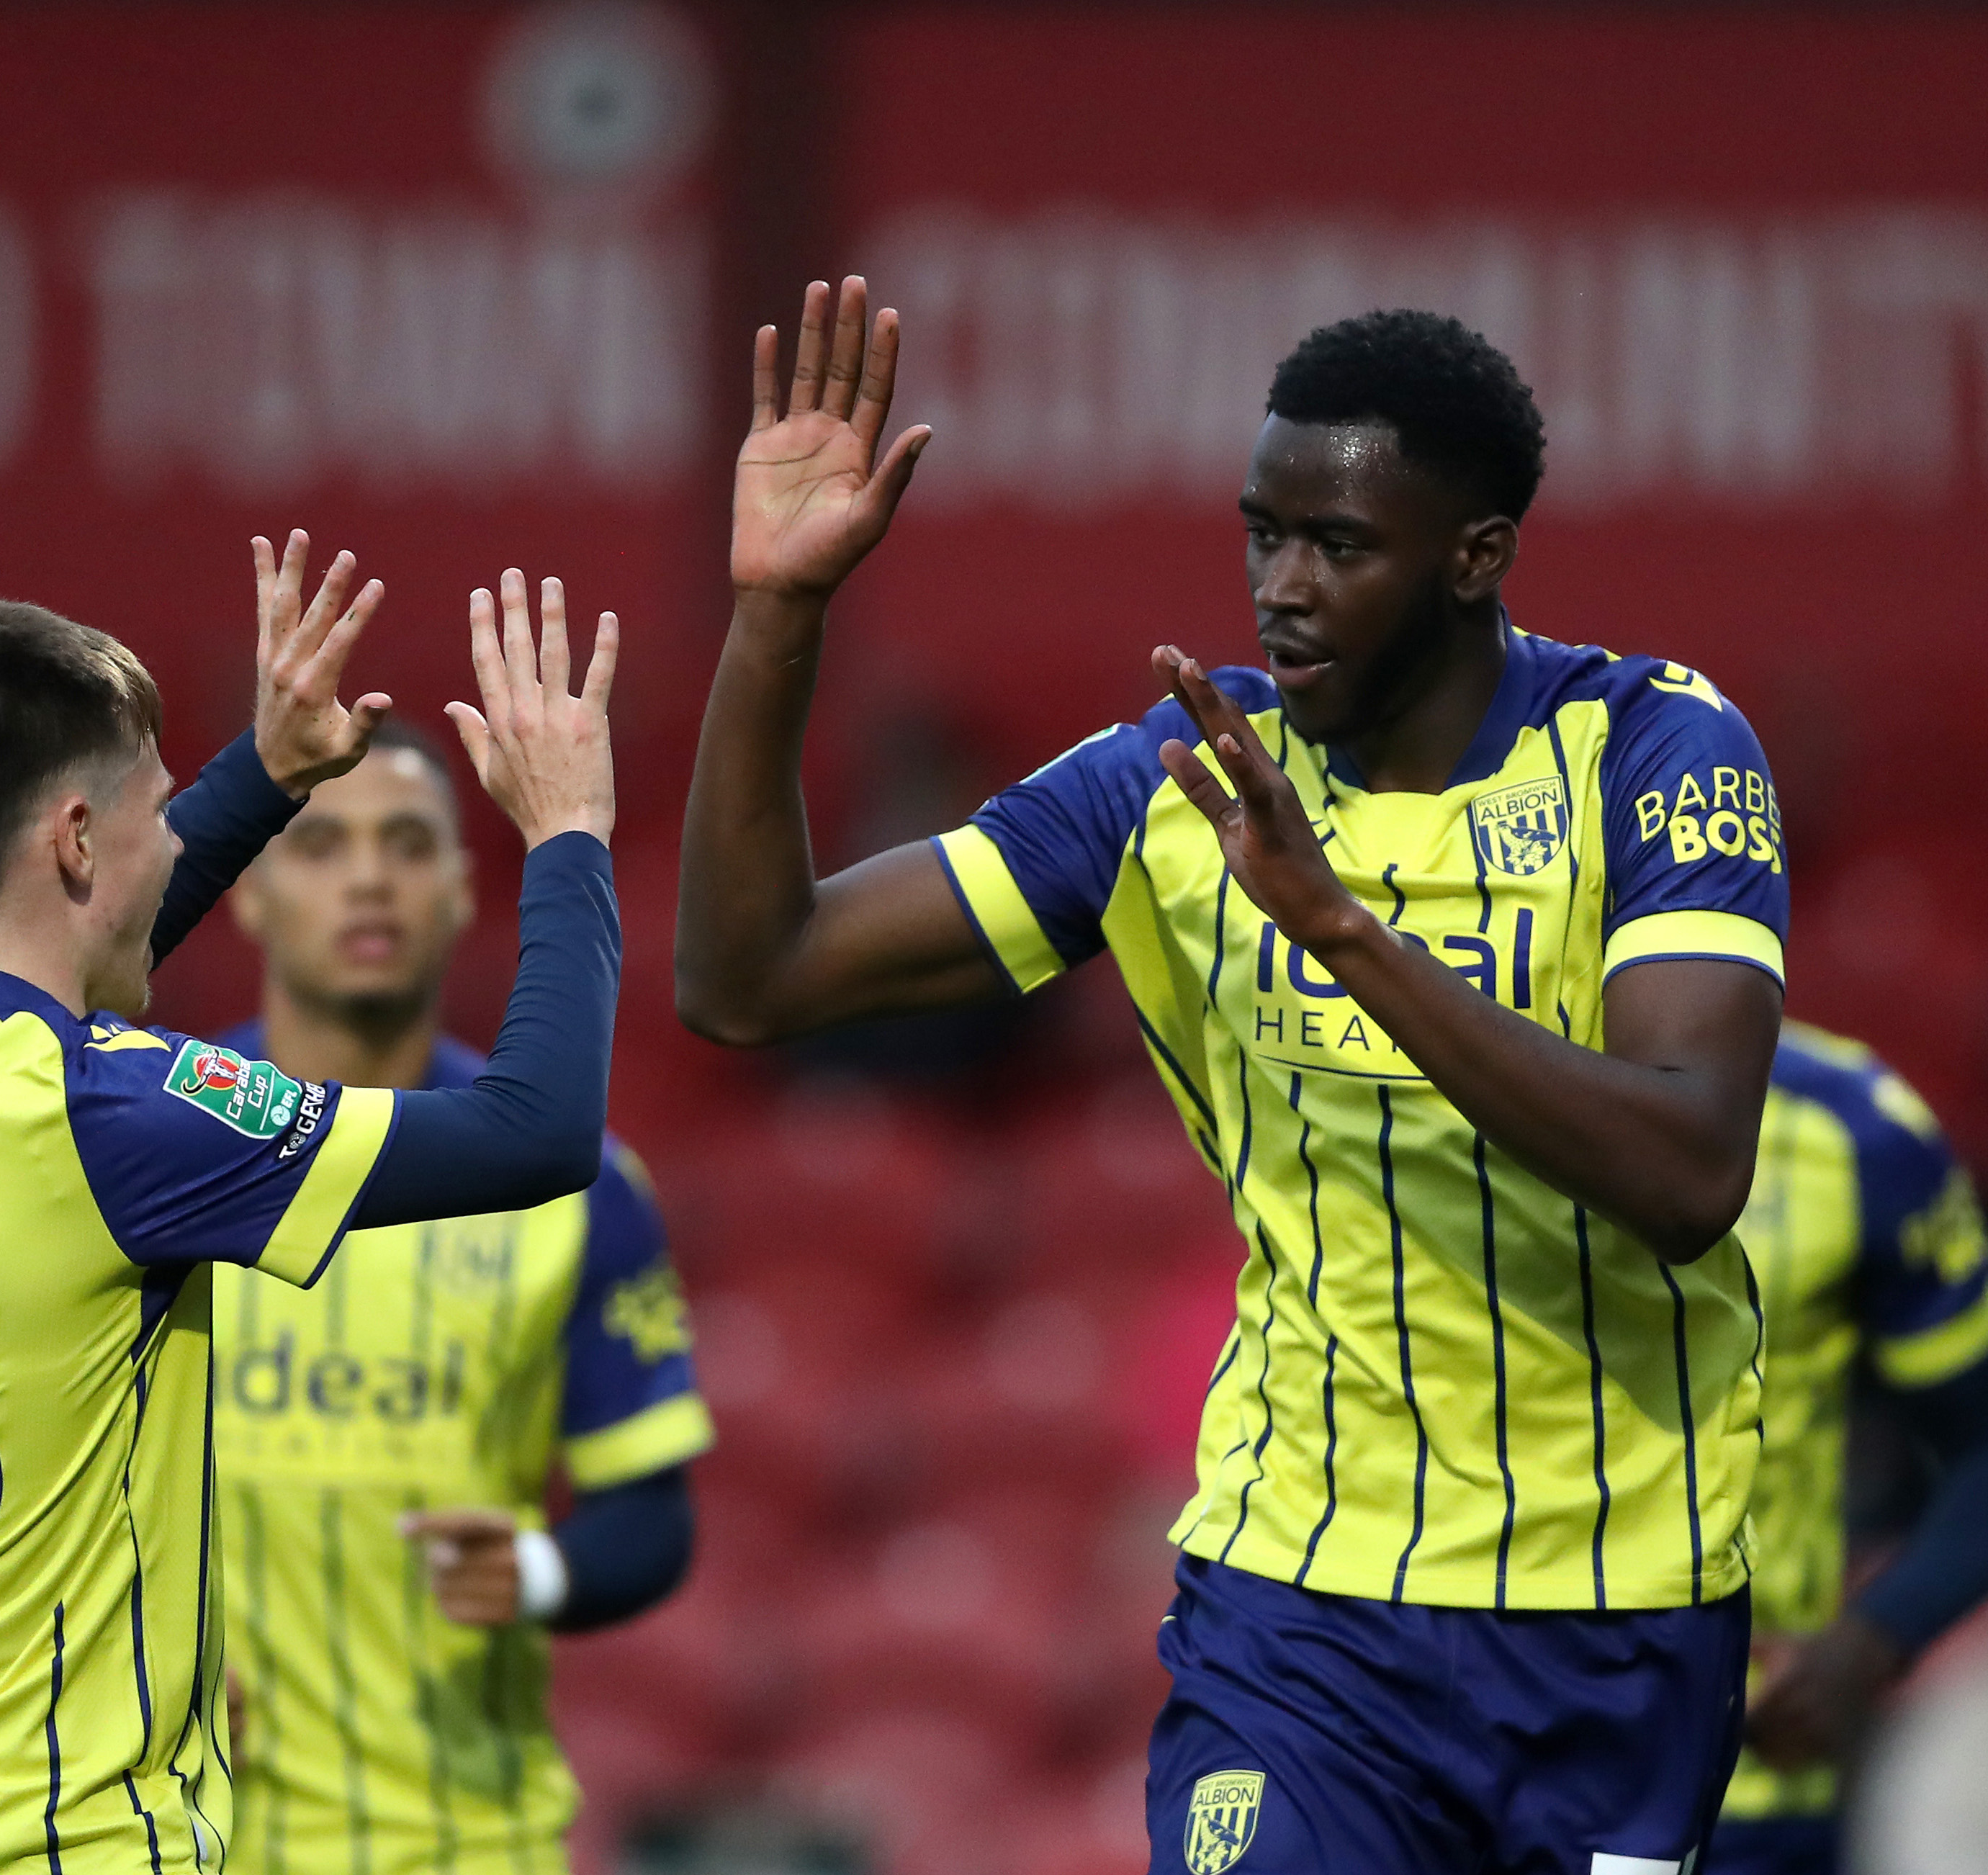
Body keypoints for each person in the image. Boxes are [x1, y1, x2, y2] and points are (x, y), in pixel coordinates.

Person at [677, 284, 1789, 1871]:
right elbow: (749, 977)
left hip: (1611, 1626)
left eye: (1337, 546)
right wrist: (779, 612)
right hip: (1294, 1613)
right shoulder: (1181, 780)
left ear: (1473, 557)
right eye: (1261, 534)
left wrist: (1341, 932)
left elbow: (1688, 1172)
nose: (1280, 588)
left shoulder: (1654, 752)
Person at [0, 544, 624, 1872]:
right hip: (80, 1843)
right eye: (155, 810)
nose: (174, 836)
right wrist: (569, 833)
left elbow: (51, 984)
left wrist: (274, 769)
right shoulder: (113, 1116)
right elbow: (540, 1127)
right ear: (71, 837)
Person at [215, 719, 712, 1875]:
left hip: (466, 1837)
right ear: (245, 894)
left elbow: (654, 1516)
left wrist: (543, 1569)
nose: (370, 879)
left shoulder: (579, 1189)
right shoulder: (152, 1153)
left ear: (457, 891)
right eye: (321, 847)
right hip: (183, 1839)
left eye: (406, 844)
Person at [1703, 1025, 1988, 1874]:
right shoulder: (1375, 1085)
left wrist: (1869, 1643)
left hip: (1740, 1783)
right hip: (1399, 1737)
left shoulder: (1851, 1127)